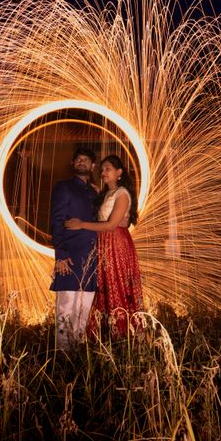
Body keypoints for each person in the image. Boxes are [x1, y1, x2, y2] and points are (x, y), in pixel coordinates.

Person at [65, 154, 143, 338]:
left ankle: (124, 334)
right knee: (105, 286)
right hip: (104, 244)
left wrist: (81, 224)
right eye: (102, 169)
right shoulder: (105, 193)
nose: (103, 172)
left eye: (108, 169)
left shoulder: (122, 193)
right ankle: (105, 334)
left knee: (117, 285)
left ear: (119, 173)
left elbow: (110, 224)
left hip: (116, 244)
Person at [50, 147, 100, 349]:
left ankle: (77, 353)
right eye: (77, 159)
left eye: (86, 159)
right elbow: (56, 220)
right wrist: (60, 254)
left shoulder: (96, 192)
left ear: (92, 166)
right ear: (73, 164)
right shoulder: (64, 187)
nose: (81, 161)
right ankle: (61, 356)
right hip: (70, 256)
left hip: (92, 257)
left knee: (84, 307)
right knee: (66, 306)